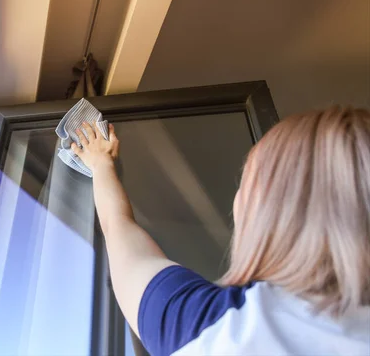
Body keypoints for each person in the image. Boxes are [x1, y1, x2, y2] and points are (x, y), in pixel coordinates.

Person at [71, 106, 370, 356]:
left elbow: (118, 227)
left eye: (246, 184)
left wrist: (101, 164)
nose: (236, 201)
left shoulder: (217, 329)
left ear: (267, 214)